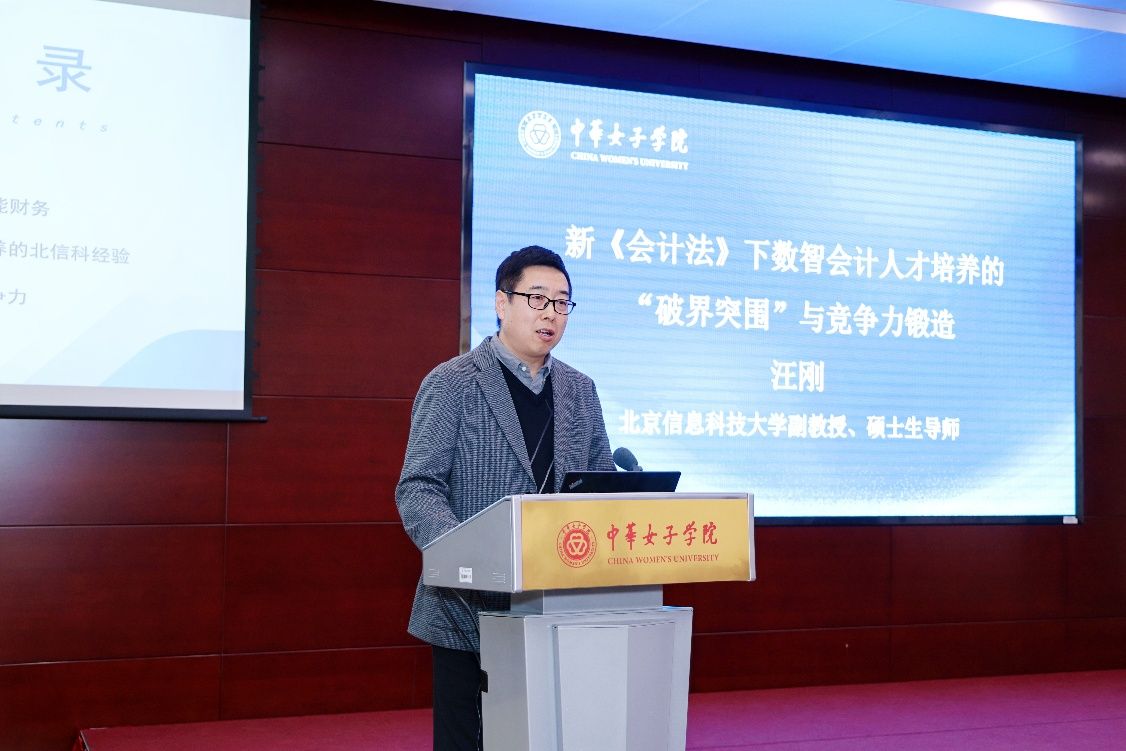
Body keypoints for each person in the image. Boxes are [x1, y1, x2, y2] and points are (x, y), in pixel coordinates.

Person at [396, 245, 614, 751]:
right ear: (501, 302)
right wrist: (466, 555)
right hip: (467, 608)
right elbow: (418, 487)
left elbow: (601, 482)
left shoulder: (580, 390)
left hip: (557, 604)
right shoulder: (451, 383)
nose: (551, 313)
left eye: (562, 302)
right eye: (537, 298)